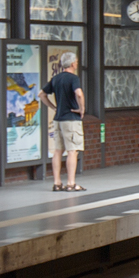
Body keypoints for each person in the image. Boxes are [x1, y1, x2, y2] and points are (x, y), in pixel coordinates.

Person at [39, 52, 86, 191]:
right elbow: (79, 93)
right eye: (76, 62)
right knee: (72, 151)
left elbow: (41, 94)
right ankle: (71, 183)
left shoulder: (56, 78)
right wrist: (81, 108)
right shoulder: (74, 78)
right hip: (71, 119)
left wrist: (54, 107)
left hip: (58, 119)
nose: (76, 64)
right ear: (72, 64)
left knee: (58, 150)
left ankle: (57, 183)